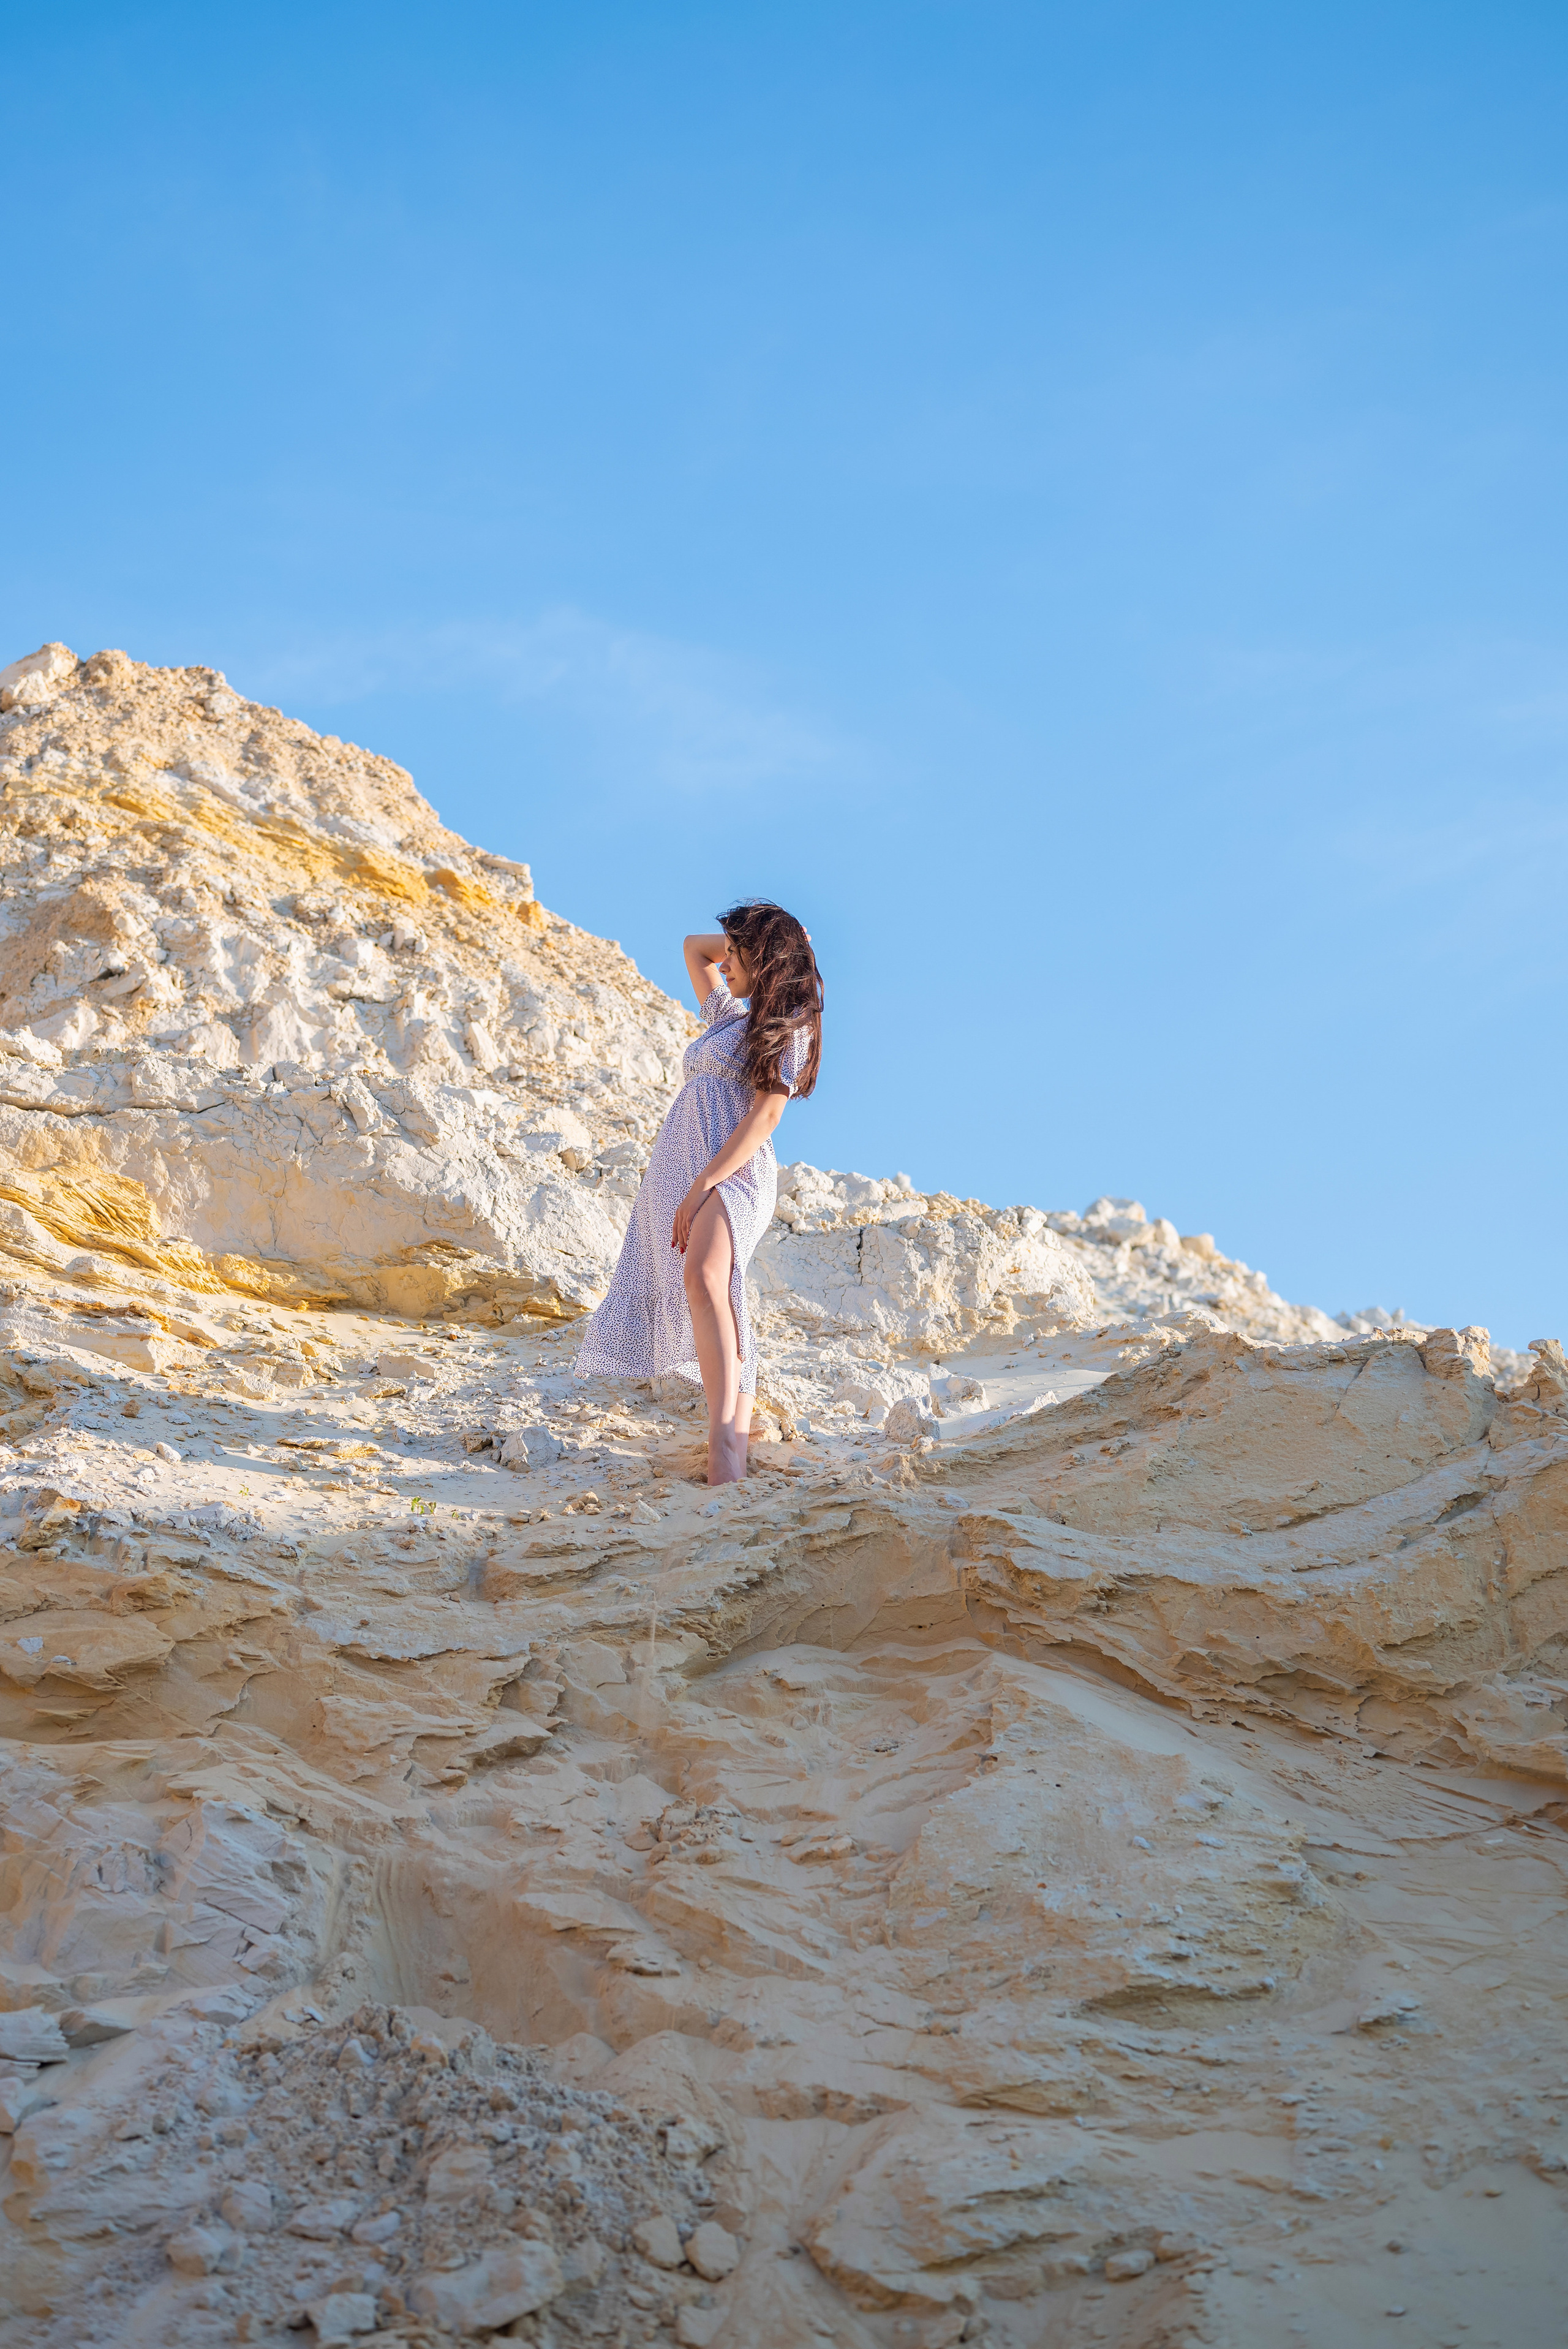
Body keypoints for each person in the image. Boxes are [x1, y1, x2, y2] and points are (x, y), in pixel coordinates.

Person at [575, 901, 822, 1482]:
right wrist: (757, 939)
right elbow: (694, 947)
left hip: (730, 1170)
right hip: (682, 1168)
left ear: (764, 958)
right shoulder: (726, 1020)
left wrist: (705, 1181)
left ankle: (726, 1442)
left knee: (709, 1278)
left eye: (737, 953)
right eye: (731, 951)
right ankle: (729, 1426)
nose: (726, 961)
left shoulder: (786, 1026)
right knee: (703, 1284)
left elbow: (766, 1117)